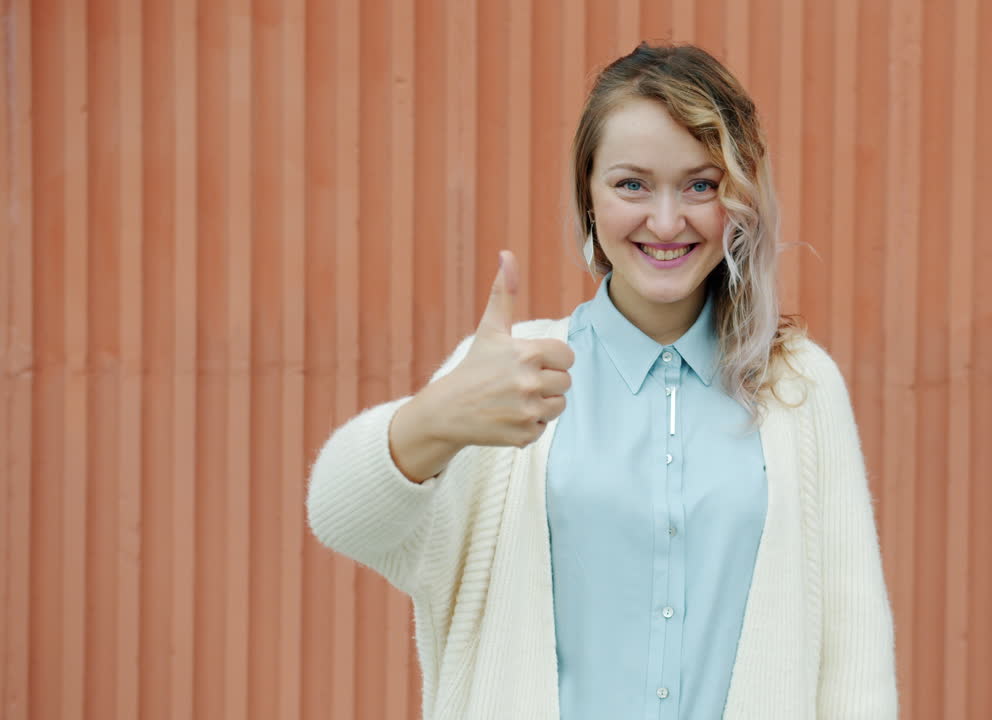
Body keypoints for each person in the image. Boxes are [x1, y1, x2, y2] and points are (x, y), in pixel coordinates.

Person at [307, 42, 897, 719]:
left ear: (738, 197)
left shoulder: (801, 387)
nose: (668, 221)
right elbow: (340, 518)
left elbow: (856, 663)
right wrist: (431, 419)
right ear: (588, 194)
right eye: (632, 184)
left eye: (701, 185)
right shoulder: (514, 373)